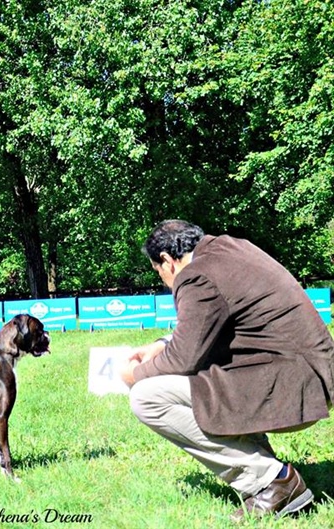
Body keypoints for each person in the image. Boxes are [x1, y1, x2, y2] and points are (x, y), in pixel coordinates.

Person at [122, 219, 334, 521]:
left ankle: (274, 483)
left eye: (159, 274)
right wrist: (160, 344)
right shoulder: (230, 249)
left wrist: (134, 375)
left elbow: (184, 359)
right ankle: (267, 466)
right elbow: (213, 327)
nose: (165, 282)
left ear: (167, 261)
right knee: (211, 375)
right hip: (310, 376)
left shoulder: (195, 275)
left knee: (147, 396)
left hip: (292, 386)